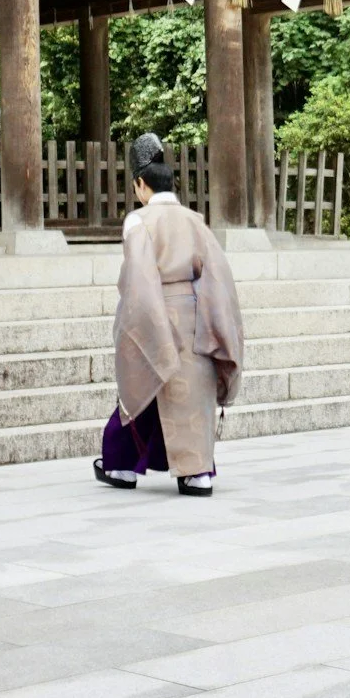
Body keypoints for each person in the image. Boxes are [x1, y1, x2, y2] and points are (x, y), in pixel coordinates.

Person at [96, 133, 245, 495]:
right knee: (193, 394)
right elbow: (218, 277)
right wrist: (216, 326)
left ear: (140, 184)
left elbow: (139, 278)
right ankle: (197, 474)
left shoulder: (138, 221)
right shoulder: (196, 221)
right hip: (197, 316)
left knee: (145, 382)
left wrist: (141, 324)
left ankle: (123, 469)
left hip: (156, 308)